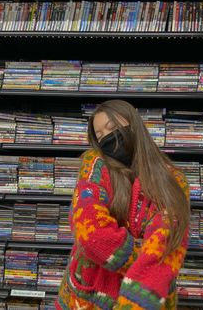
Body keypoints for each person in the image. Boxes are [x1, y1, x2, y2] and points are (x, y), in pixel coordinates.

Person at [56, 99, 190, 310]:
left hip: (146, 299)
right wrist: (145, 258)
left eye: (112, 127)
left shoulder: (173, 180)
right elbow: (90, 232)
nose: (107, 138)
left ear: (133, 123)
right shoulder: (94, 164)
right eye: (99, 136)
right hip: (87, 297)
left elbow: (167, 241)